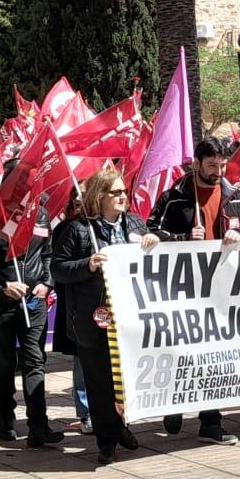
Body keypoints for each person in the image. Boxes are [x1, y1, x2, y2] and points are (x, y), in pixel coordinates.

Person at [147, 136, 240, 445]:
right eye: (212, 166)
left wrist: (239, 231)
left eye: (222, 165)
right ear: (196, 163)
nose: (218, 171)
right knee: (182, 351)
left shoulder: (233, 194)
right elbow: (149, 231)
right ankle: (175, 403)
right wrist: (180, 238)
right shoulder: (175, 196)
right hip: (183, 287)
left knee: (213, 355)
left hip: (220, 286)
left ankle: (211, 421)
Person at [51, 167, 153, 463]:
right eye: (116, 192)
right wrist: (88, 265)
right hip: (92, 318)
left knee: (127, 377)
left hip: (130, 316)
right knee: (99, 380)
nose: (123, 196)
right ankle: (106, 439)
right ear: (100, 196)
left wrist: (153, 242)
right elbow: (58, 269)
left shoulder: (134, 223)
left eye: (124, 191)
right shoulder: (78, 229)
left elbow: (151, 256)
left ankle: (120, 426)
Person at [0, 186, 61, 450]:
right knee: (4, 361)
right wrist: (2, 285)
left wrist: (48, 282)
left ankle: (38, 425)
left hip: (34, 302)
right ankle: (5, 418)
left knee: (34, 360)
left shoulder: (42, 215)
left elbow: (48, 253)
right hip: (2, 304)